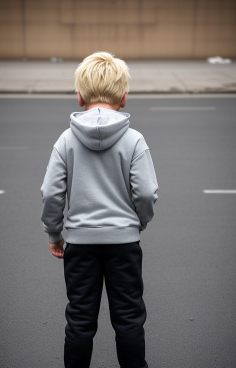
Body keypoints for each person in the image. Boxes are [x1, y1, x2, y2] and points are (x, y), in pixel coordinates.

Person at [40, 51, 159, 368]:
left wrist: (55, 233)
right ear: (124, 97)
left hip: (80, 244)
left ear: (79, 97)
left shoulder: (66, 140)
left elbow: (51, 193)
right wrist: (138, 223)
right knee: (129, 318)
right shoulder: (134, 140)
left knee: (80, 319)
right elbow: (146, 193)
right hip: (124, 244)